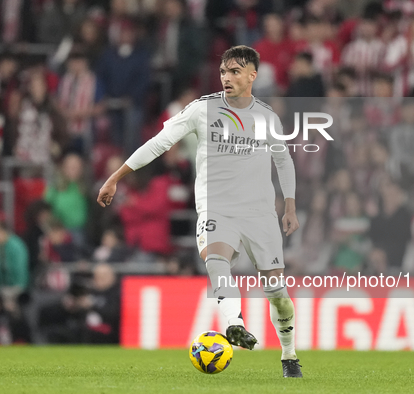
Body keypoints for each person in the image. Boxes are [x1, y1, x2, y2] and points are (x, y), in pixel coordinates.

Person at [96, 46, 302, 378]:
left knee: (277, 293)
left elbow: (283, 161)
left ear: (253, 75)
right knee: (217, 261)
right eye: (223, 71)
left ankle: (289, 356)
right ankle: (234, 324)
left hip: (259, 213)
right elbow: (159, 142)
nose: (226, 78)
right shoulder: (202, 110)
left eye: (235, 71)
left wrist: (289, 205)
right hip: (217, 207)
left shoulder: (267, 117)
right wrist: (116, 176)